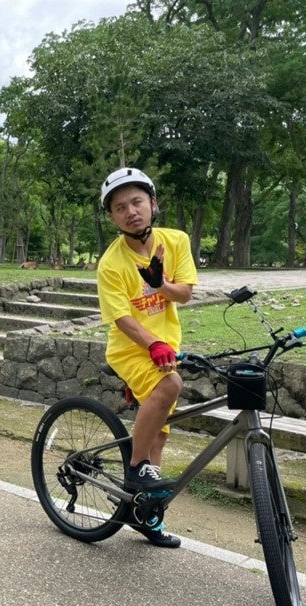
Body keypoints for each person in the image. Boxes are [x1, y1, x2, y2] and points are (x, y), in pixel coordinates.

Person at [97, 167, 199, 548]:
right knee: (171, 385)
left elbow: (184, 293)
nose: (131, 211)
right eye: (120, 207)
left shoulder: (175, 241)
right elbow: (121, 318)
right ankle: (136, 469)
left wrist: (160, 284)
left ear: (153, 204)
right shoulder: (111, 263)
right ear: (112, 217)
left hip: (167, 347)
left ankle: (144, 514)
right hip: (130, 348)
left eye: (137, 202)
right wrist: (152, 344)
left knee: (159, 436)